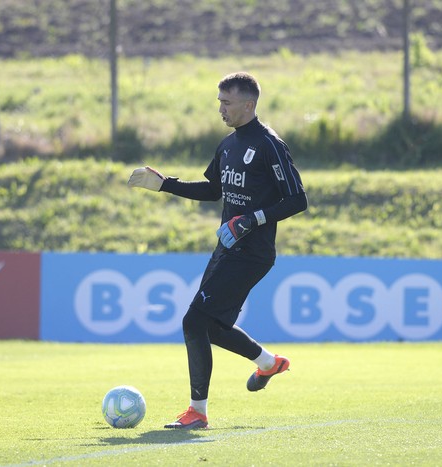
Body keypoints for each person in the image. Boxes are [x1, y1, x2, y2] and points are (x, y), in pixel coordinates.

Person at [127, 72, 308, 430]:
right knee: (211, 327)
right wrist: (165, 185)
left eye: (227, 102)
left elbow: (297, 199)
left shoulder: (270, 144)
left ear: (248, 104)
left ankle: (197, 412)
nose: (221, 109)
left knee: (194, 321)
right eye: (219, 102)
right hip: (227, 249)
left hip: (253, 252)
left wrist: (252, 219)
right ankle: (269, 363)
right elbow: (213, 190)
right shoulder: (227, 146)